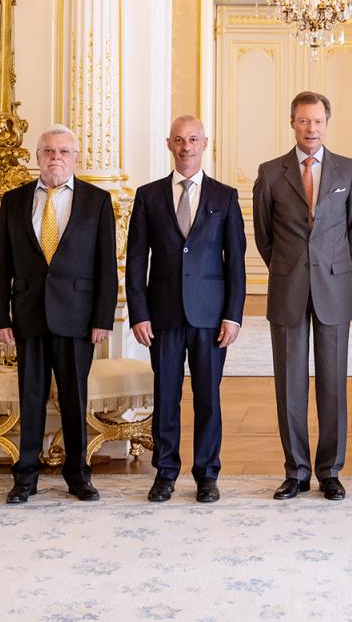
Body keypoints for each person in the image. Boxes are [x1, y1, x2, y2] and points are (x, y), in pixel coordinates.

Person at [0, 124, 119, 504]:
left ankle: (78, 474)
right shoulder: (14, 201)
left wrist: (102, 318)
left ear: (75, 158)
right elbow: (1, 264)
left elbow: (106, 267)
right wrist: (0, 315)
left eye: (64, 152)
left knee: (74, 399)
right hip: (28, 314)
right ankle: (25, 477)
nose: (56, 158)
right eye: (48, 151)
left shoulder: (96, 201)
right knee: (30, 397)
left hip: (77, 317)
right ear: (38, 157)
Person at [252, 91, 352, 501]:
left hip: (334, 288)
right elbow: (264, 237)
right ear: (292, 123)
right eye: (303, 121)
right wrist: (290, 267)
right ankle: (296, 471)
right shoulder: (269, 173)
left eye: (317, 121)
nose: (311, 129)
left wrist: (329, 267)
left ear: (327, 123)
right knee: (290, 384)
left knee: (333, 384)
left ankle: (330, 471)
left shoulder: (349, 171)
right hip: (287, 288)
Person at [126, 116, 246, 504]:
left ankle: (207, 475)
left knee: (208, 396)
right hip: (161, 315)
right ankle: (164, 472)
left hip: (211, 317)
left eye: (193, 139)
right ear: (169, 144)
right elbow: (134, 262)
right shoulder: (148, 196)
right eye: (179, 139)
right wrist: (139, 313)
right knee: (166, 395)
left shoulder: (224, 197)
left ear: (205, 143)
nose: (186, 146)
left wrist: (233, 314)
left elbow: (236, 263)